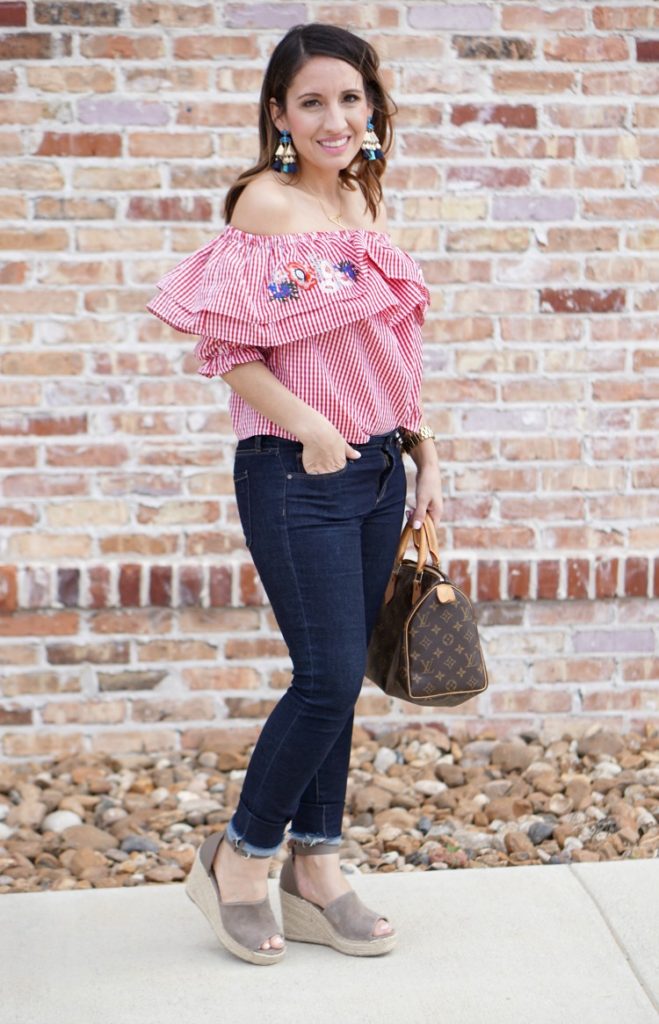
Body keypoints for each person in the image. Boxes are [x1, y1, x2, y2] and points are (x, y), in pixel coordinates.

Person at [146, 21, 443, 966]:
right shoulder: (263, 209)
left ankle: (316, 869)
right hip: (294, 471)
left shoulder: (359, 197)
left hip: (376, 468)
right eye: (311, 100)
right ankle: (239, 857)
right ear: (278, 113)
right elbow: (227, 352)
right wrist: (314, 428)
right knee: (321, 678)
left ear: (370, 106)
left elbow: (383, 346)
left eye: (349, 98)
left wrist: (421, 441)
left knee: (344, 676)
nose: (334, 117)